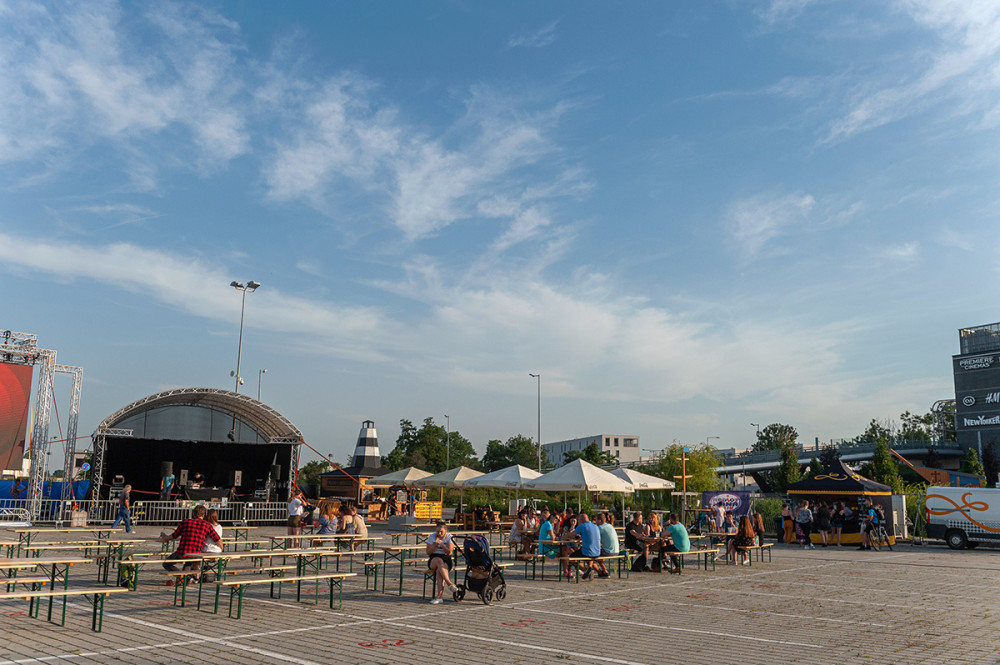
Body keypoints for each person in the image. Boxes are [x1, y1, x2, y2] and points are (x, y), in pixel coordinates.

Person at [160, 505, 220, 579]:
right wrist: (221, 548)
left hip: (182, 552)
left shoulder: (185, 522)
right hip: (196, 554)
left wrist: (165, 537)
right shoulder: (207, 525)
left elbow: (173, 536)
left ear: (193, 513)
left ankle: (182, 577)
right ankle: (186, 578)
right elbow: (217, 539)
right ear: (203, 515)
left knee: (166, 564)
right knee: (189, 562)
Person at [425, 520, 459, 604]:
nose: (439, 534)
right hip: (434, 559)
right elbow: (428, 552)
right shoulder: (432, 537)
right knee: (439, 561)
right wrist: (434, 547)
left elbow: (449, 552)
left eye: (441, 532)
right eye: (437, 532)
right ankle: (449, 583)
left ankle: (439, 597)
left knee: (439, 572)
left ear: (445, 531)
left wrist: (443, 545)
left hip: (446, 559)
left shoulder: (449, 537)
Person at [570, 513, 607, 580]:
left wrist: (562, 538)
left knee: (571, 558)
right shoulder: (595, 526)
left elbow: (571, 535)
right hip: (597, 551)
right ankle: (599, 572)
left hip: (588, 551)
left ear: (581, 520)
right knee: (589, 557)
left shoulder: (582, 526)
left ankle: (585, 570)